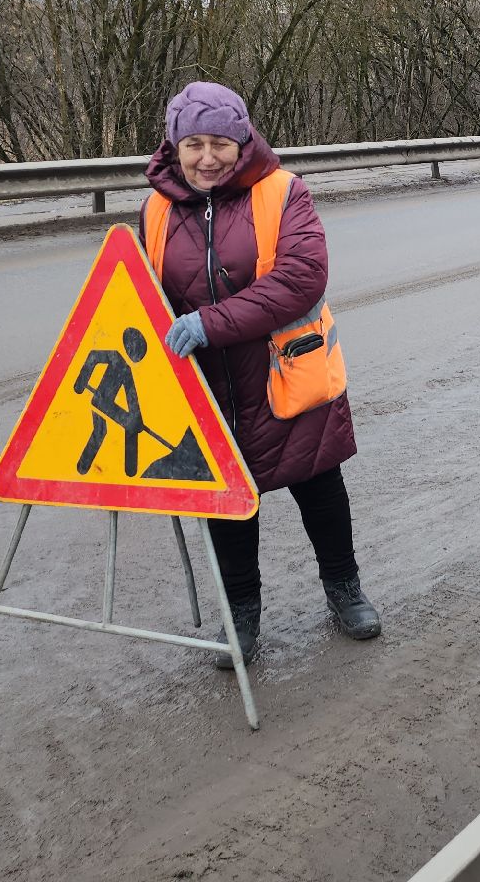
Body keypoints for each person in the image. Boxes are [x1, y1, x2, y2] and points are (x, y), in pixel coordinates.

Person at [141, 81, 380, 664]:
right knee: (229, 502)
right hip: (205, 387)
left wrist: (210, 323)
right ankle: (242, 615)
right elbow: (145, 292)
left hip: (284, 376)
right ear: (173, 145)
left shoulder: (282, 192)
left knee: (317, 484)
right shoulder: (156, 206)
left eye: (220, 142)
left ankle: (344, 590)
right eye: (192, 143)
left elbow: (301, 279)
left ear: (243, 139)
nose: (206, 158)